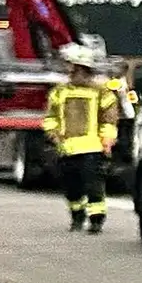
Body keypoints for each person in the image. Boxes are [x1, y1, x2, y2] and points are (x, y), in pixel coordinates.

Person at [41, 43, 121, 233]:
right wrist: (53, 134)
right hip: (66, 149)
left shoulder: (101, 92)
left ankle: (96, 220)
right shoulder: (59, 92)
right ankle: (77, 217)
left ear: (81, 68)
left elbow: (109, 119)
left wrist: (107, 140)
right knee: (72, 188)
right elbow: (51, 117)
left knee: (94, 187)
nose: (68, 71)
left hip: (92, 149)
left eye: (71, 67)